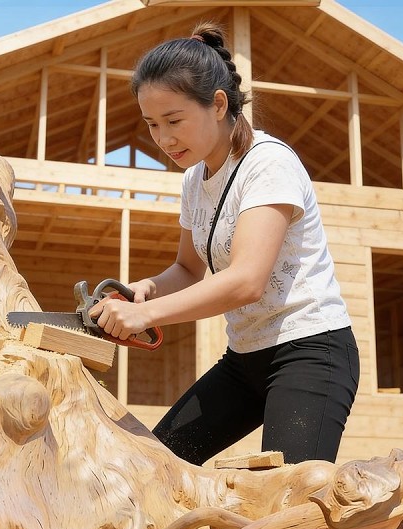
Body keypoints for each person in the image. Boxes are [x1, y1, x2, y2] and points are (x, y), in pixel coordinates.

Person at [88, 22, 359, 466]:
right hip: (243, 360)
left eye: (174, 121)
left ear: (218, 104)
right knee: (158, 468)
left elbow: (247, 281)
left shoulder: (268, 163)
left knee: (285, 505)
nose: (164, 138)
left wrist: (144, 314)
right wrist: (146, 290)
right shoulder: (195, 179)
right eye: (152, 124)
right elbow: (188, 269)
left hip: (310, 353)